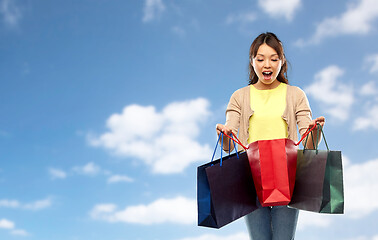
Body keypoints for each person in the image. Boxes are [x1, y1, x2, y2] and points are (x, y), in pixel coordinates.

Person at [215, 32, 325, 240]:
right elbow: (228, 145)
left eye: (274, 59)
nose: (267, 64)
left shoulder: (295, 94)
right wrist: (223, 133)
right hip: (250, 177)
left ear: (282, 62)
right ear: (252, 62)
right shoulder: (239, 97)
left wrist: (315, 129)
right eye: (261, 58)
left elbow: (309, 143)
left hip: (287, 176)